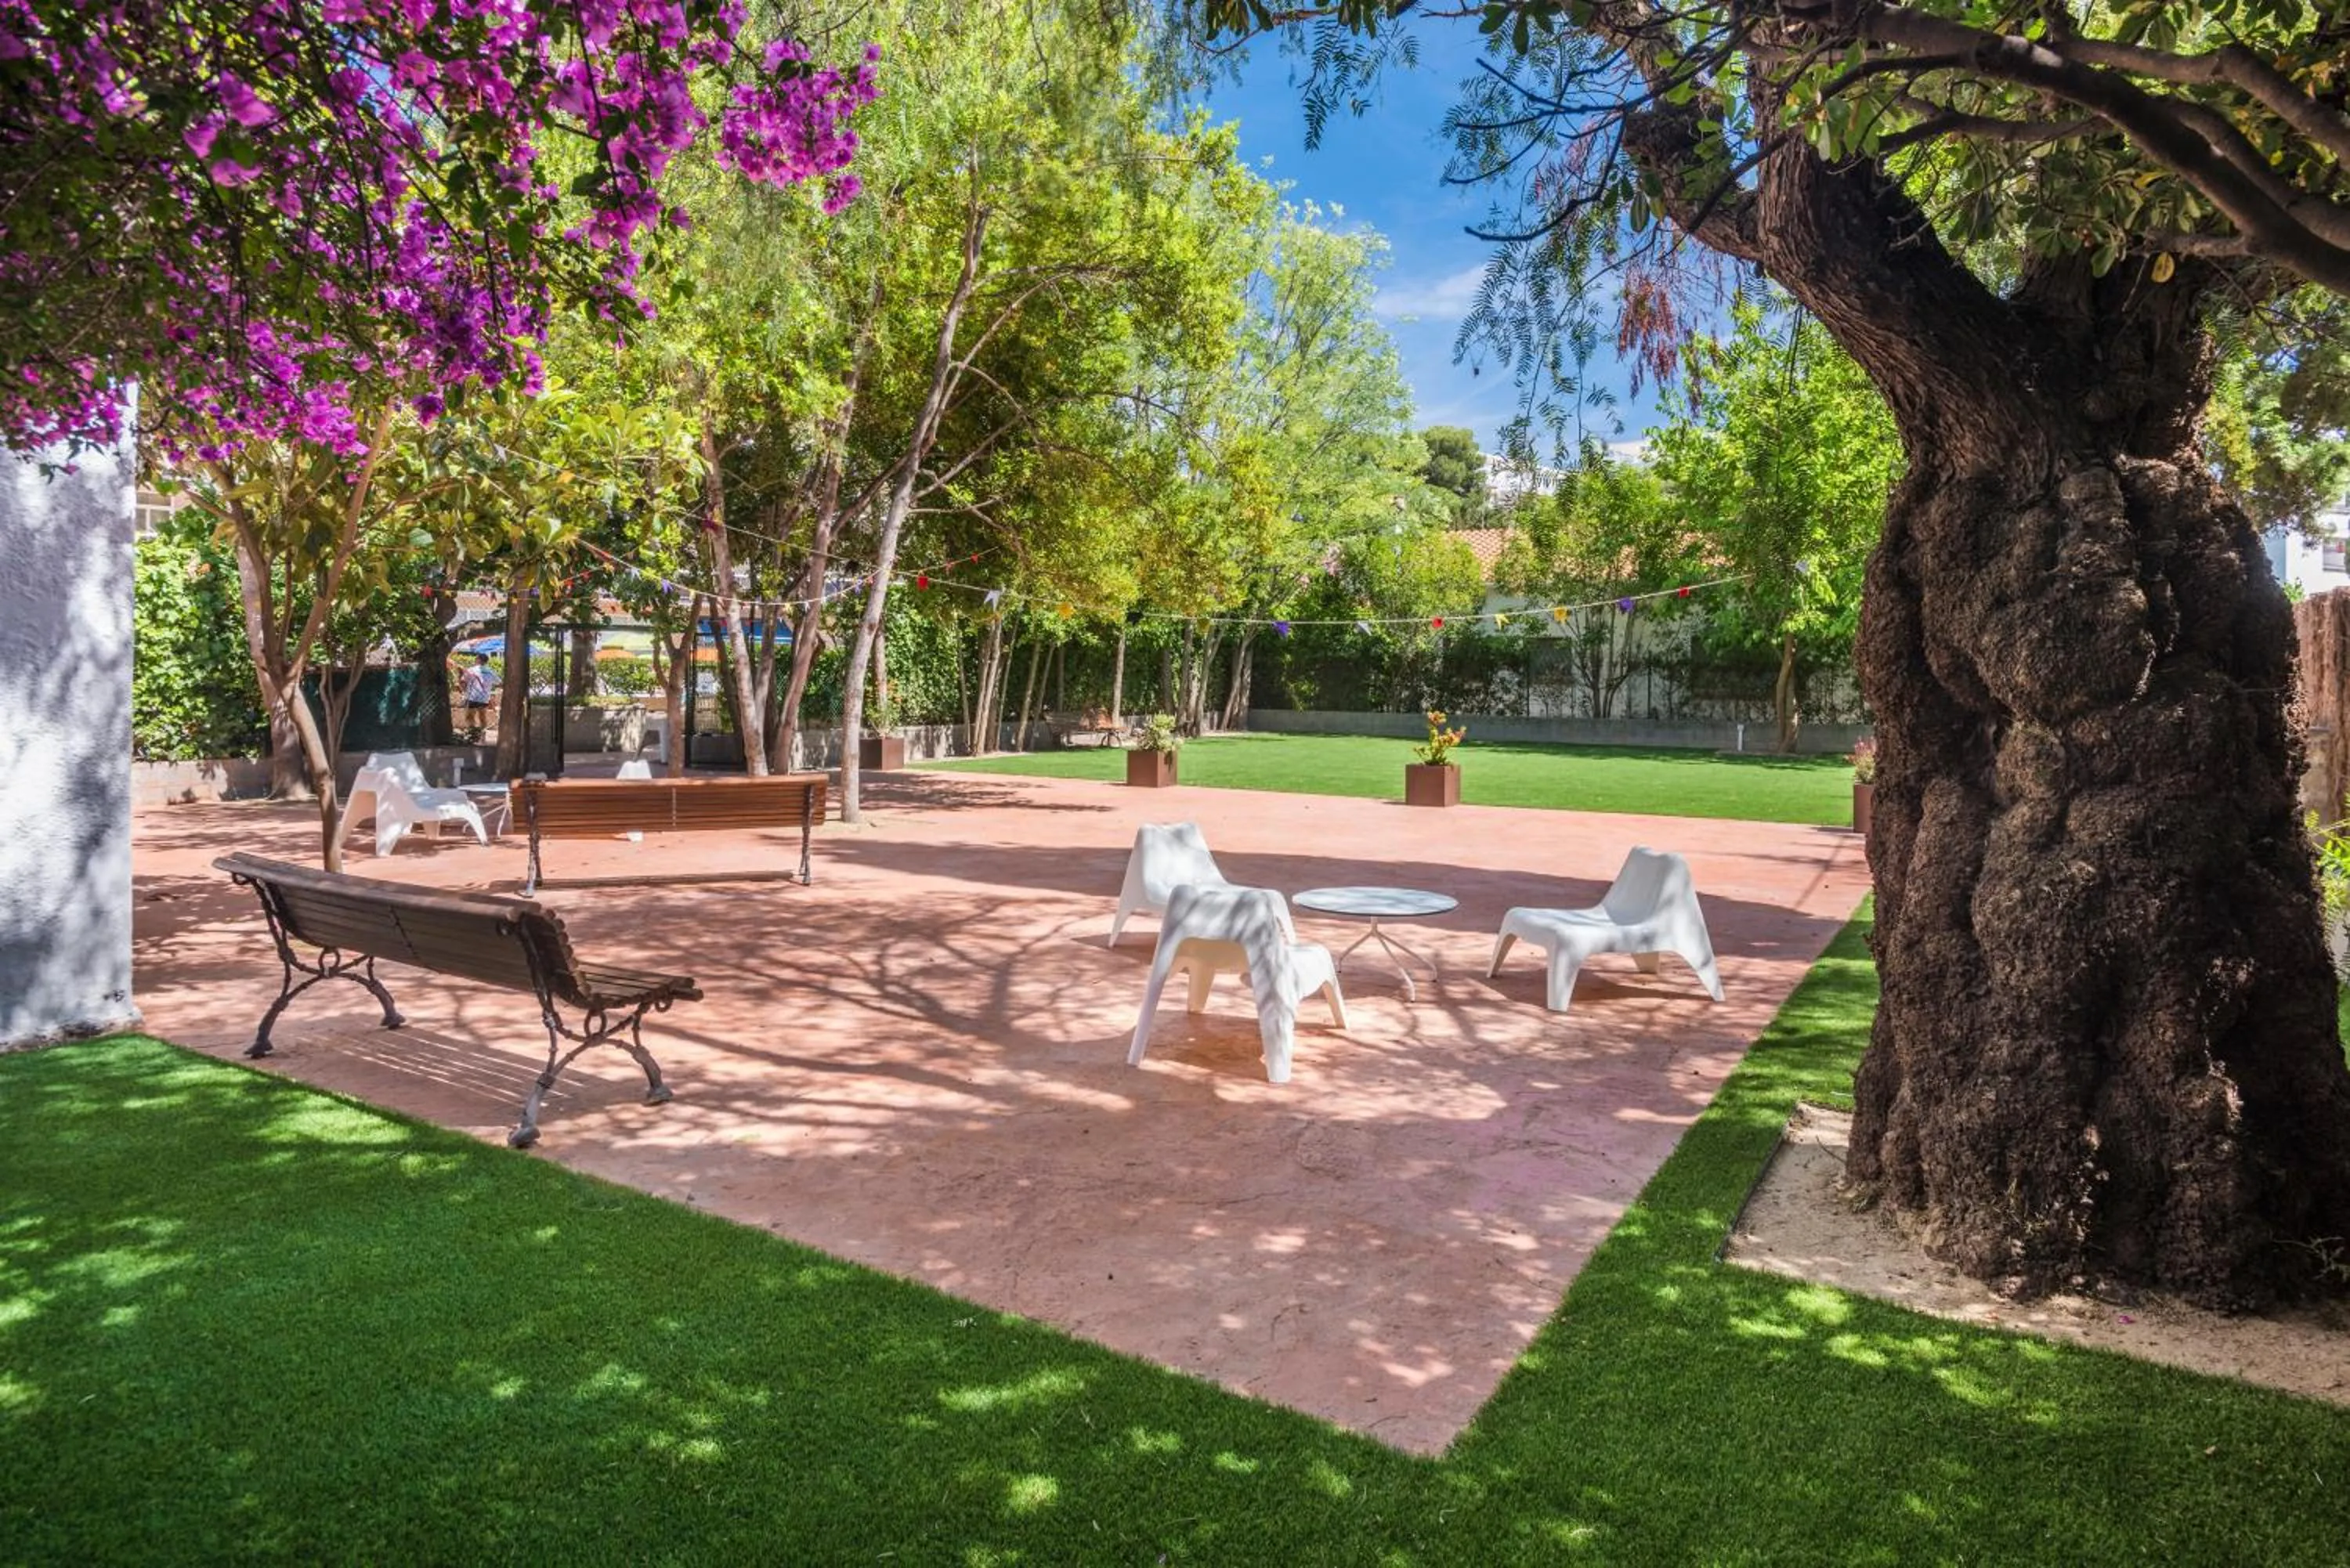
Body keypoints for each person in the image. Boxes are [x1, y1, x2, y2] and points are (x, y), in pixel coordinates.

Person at [459, 652, 497, 741]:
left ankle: (473, 735)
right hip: (484, 698)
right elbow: (499, 682)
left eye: (476, 659)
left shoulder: (471, 670)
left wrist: (463, 688)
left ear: (479, 660)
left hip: (472, 697)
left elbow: (462, 681)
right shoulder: (491, 671)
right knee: (483, 717)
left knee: (470, 717)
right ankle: (483, 737)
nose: (475, 660)